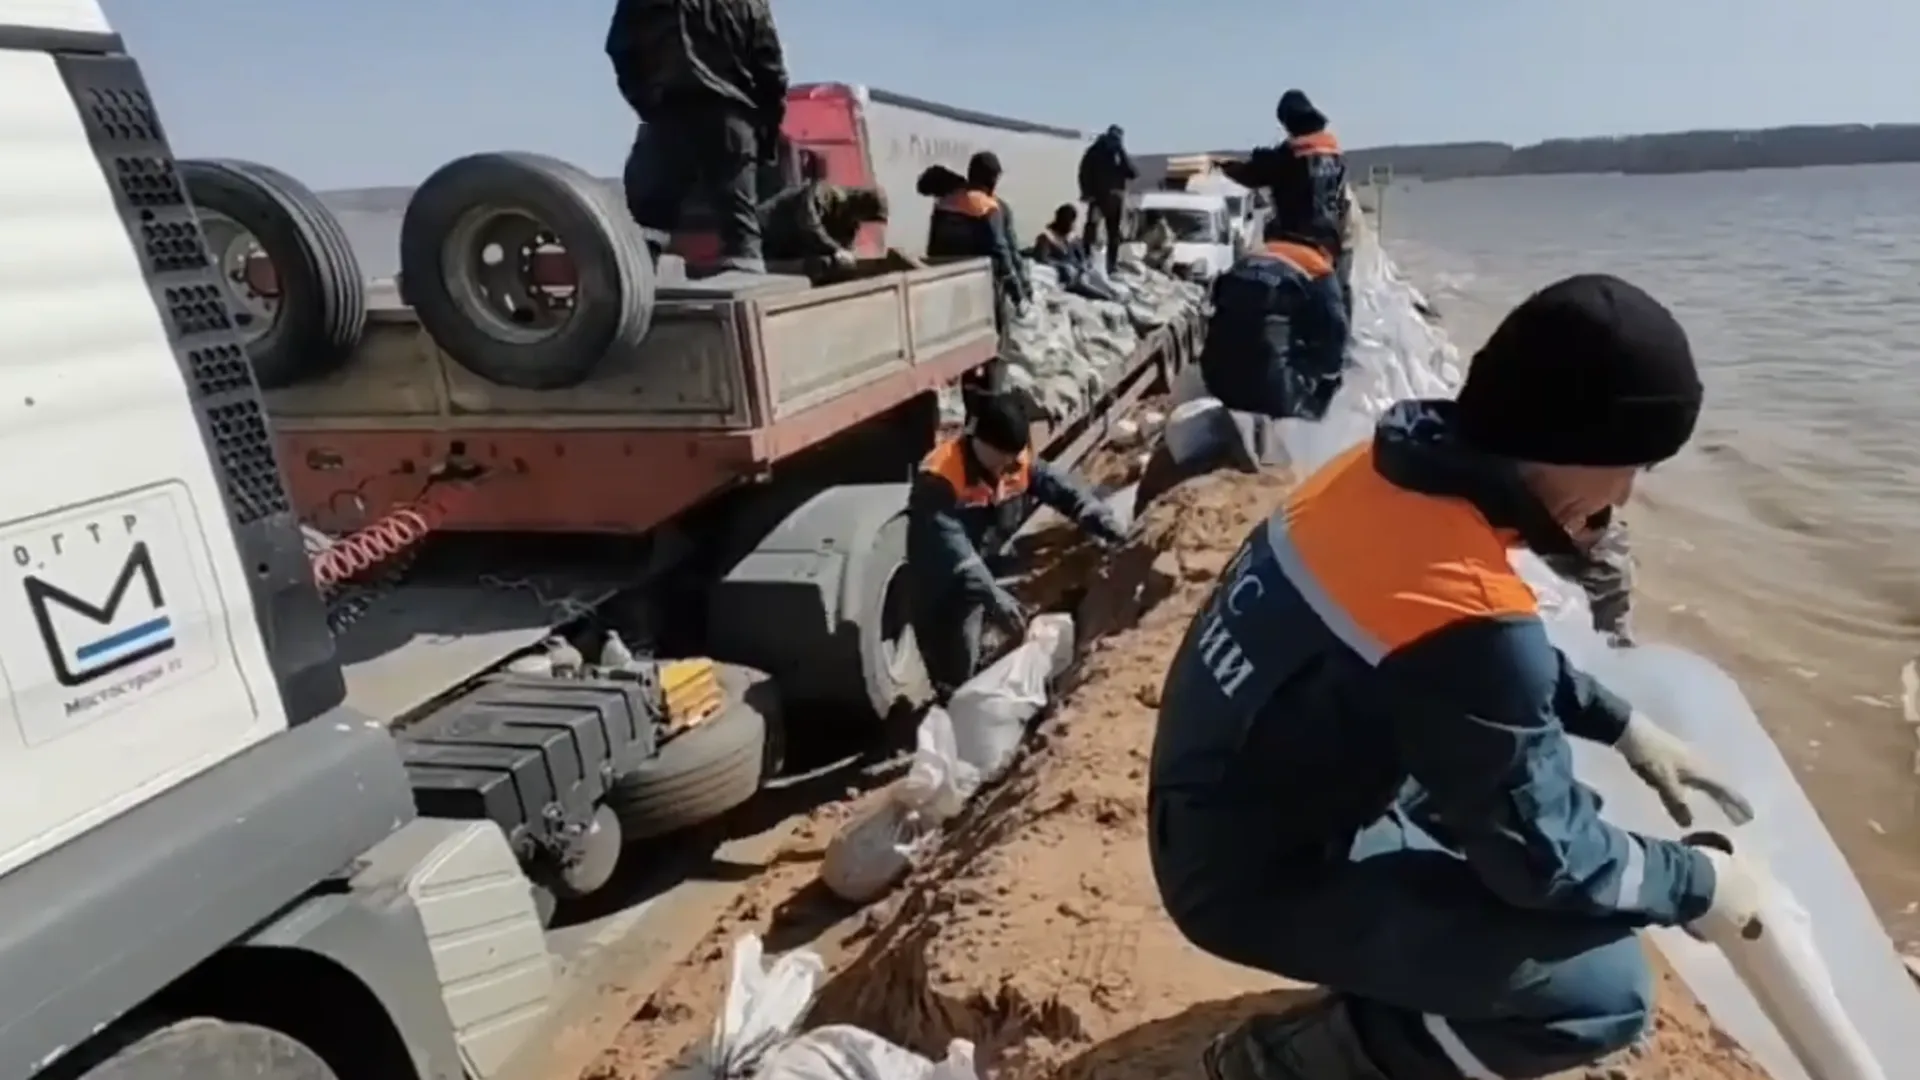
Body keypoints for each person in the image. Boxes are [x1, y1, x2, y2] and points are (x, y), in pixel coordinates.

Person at [1148, 274, 1768, 1080]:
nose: (1626, 497)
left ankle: (1408, 975)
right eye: (1631, 466)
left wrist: (1621, 723)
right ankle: (1288, 1065)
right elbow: (1550, 860)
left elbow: (1447, 657)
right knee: (1602, 992)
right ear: (1568, 442)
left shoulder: (1374, 477)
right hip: (1246, 876)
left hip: (1228, 798)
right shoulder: (1469, 615)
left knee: (1507, 817)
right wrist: (1702, 881)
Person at [906, 392, 1127, 696]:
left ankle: (988, 662)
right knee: (957, 667)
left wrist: (1092, 512)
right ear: (978, 440)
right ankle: (954, 701)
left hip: (987, 560)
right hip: (945, 580)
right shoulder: (939, 477)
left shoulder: (1011, 461)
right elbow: (952, 548)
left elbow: (1055, 485)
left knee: (1028, 594)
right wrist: (992, 595)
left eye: (1013, 459)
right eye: (1002, 459)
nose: (1007, 469)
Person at [608, 0, 788, 274]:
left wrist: (647, 102)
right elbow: (771, 69)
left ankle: (642, 296)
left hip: (667, 118)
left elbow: (621, 51)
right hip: (730, 123)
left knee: (645, 234)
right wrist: (763, 131)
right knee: (742, 240)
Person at [1222, 90, 1353, 315]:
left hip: (1296, 242)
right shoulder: (1333, 151)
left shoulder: (1294, 153)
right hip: (1331, 245)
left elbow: (1254, 175)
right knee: (1336, 307)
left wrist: (1227, 167)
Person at [1197, 231, 1348, 420]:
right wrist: (1329, 380)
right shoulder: (1319, 269)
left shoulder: (1250, 258)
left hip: (1217, 379)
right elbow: (1336, 331)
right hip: (1274, 387)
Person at [926, 153, 1030, 400]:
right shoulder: (987, 206)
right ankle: (989, 400)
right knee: (994, 349)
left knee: (964, 351)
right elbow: (999, 250)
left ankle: (968, 397)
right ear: (992, 178)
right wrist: (1018, 293)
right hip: (983, 291)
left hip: (951, 289)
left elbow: (933, 248)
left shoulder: (945, 203)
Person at [1078, 124, 1136, 274]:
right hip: (1097, 198)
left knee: (1114, 234)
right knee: (1091, 229)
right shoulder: (1095, 152)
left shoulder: (1119, 155)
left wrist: (1122, 153)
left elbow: (1132, 173)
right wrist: (1087, 193)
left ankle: (1111, 264)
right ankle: (1086, 258)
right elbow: (1084, 173)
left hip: (1115, 199)